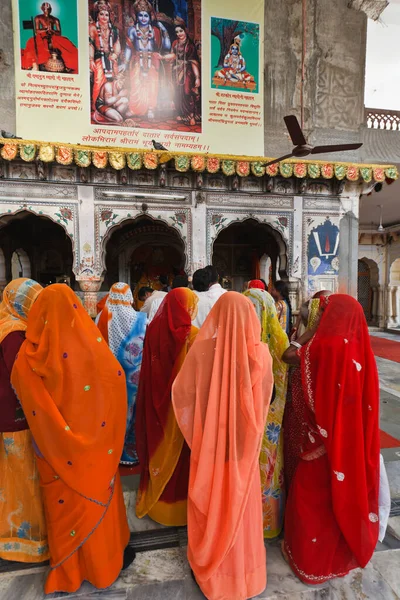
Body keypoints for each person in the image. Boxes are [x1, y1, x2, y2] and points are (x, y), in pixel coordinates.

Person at [11, 284, 134, 594]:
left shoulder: (27, 358)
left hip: (55, 452)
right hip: (98, 452)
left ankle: (71, 572)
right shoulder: (94, 348)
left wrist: (64, 437)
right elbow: (118, 382)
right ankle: (104, 565)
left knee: (64, 510)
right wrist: (100, 434)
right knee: (98, 503)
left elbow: (29, 402)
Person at [172, 293, 274, 600]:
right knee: (240, 505)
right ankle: (245, 575)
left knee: (214, 499)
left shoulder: (201, 350)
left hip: (211, 447)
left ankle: (214, 568)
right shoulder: (260, 355)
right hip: (243, 450)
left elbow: (183, 393)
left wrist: (205, 423)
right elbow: (264, 403)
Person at [281, 295, 380, 584]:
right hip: (347, 442)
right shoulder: (361, 349)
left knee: (310, 498)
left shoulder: (319, 347)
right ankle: (332, 555)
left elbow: (288, 356)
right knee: (340, 494)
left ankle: (309, 561)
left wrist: (309, 332)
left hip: (317, 440)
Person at [136, 288, 198, 526]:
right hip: (183, 410)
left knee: (158, 448)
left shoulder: (152, 330)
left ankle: (159, 507)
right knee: (181, 459)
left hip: (155, 404)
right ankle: (179, 511)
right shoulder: (193, 334)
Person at [0, 278, 48, 563]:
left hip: (6, 413)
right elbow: (24, 380)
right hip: (15, 417)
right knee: (24, 478)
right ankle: (28, 541)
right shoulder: (14, 334)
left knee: (12, 476)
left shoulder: (6, 323)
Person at [243, 284, 289, 538]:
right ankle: (267, 521)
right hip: (272, 421)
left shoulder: (236, 342)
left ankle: (248, 520)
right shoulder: (280, 341)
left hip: (252, 421)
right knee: (269, 465)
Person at [97, 283, 146, 466]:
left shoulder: (101, 317)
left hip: (107, 373)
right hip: (133, 374)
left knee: (111, 409)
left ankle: (110, 449)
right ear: (129, 297)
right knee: (131, 410)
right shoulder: (139, 319)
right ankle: (128, 451)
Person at [122, 0, 171, 120]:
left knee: (152, 84)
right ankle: (134, 109)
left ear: (149, 17)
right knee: (136, 84)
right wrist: (125, 63)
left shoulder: (155, 31)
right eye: (141, 15)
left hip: (152, 61)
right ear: (137, 17)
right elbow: (129, 48)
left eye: (146, 15)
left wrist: (164, 31)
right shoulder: (132, 30)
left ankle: (150, 108)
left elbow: (166, 47)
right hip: (137, 60)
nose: (143, 18)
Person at [162, 18, 201, 126]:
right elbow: (173, 55)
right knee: (178, 93)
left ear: (185, 31)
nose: (179, 34)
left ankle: (192, 115)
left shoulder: (190, 45)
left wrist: (197, 77)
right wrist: (163, 57)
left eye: (181, 31)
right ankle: (182, 114)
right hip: (177, 71)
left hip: (188, 71)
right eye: (177, 32)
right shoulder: (175, 43)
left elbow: (194, 62)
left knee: (188, 92)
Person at [22, 2, 78, 73]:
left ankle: (68, 63)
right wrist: (45, 29)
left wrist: (52, 30)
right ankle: (35, 64)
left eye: (48, 9)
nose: (46, 11)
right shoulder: (38, 18)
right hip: (42, 35)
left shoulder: (55, 19)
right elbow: (37, 31)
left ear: (51, 9)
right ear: (42, 9)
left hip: (53, 35)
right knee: (31, 42)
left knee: (66, 43)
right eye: (45, 9)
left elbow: (59, 32)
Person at [89, 2, 121, 115]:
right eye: (101, 14)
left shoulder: (114, 30)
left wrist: (115, 55)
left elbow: (117, 45)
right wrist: (91, 59)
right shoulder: (92, 27)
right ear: (97, 15)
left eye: (106, 14)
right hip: (98, 57)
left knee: (114, 80)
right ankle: (95, 106)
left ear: (109, 16)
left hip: (111, 59)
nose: (104, 17)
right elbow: (90, 44)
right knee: (98, 80)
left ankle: (110, 105)